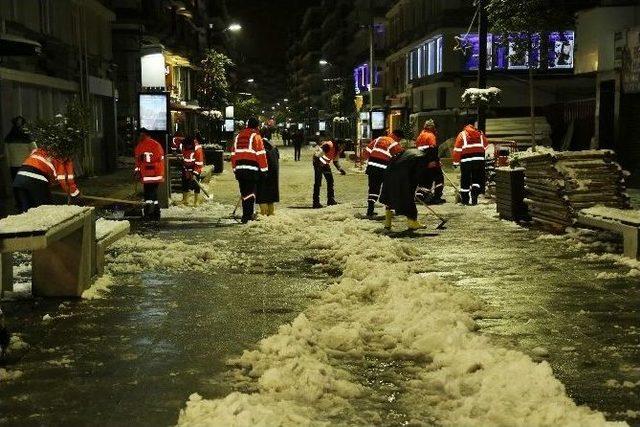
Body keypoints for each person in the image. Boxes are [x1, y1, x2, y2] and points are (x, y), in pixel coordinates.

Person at [12, 146, 80, 213]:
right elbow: (63, 180)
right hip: (36, 179)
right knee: (46, 209)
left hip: (19, 179)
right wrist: (75, 194)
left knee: (26, 210)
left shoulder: (39, 150)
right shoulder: (62, 158)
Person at [379, 148, 430, 231]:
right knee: (408, 200)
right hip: (401, 177)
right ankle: (412, 222)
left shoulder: (411, 152)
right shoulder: (422, 158)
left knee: (389, 198)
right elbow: (417, 176)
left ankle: (387, 224)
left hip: (389, 173)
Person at [231, 117, 269, 223]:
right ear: (257, 126)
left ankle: (246, 214)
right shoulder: (256, 136)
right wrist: (264, 170)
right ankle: (248, 215)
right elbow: (261, 154)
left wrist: (234, 169)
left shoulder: (238, 136)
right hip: (251, 169)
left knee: (244, 192)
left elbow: (233, 154)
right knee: (251, 192)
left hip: (239, 169)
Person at [363, 129, 405, 217]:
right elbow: (400, 157)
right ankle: (391, 211)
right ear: (398, 137)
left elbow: (366, 153)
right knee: (389, 189)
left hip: (372, 168)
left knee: (373, 189)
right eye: (400, 139)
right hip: (383, 169)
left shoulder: (377, 139)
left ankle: (370, 211)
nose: (399, 141)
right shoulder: (394, 143)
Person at [452, 117, 489, 205]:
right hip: (479, 161)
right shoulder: (480, 134)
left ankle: (465, 200)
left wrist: (455, 163)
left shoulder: (462, 135)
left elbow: (457, 150)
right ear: (473, 124)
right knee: (476, 180)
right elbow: (486, 146)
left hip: (466, 161)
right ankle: (474, 199)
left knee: (465, 180)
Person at [134, 128, 165, 220]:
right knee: (152, 194)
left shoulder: (141, 146)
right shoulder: (156, 144)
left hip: (150, 175)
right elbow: (138, 161)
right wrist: (137, 170)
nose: (139, 137)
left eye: (140, 135)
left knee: (149, 195)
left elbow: (139, 161)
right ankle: (155, 212)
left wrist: (137, 171)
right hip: (154, 174)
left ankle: (149, 212)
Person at [415, 119, 445, 204]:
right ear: (431, 127)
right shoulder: (431, 136)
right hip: (431, 162)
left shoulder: (420, 136)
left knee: (425, 181)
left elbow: (418, 151)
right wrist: (436, 161)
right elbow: (433, 150)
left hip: (422, 164)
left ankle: (420, 196)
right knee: (439, 179)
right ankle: (437, 197)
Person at [312, 138, 346, 209]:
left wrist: (340, 169)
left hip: (325, 164)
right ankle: (316, 202)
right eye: (342, 146)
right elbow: (316, 156)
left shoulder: (337, 150)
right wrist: (320, 164)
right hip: (317, 162)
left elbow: (335, 161)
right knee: (318, 182)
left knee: (330, 181)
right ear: (339, 144)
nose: (343, 147)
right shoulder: (329, 145)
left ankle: (330, 200)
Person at [256, 130, 280, 216]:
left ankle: (264, 216)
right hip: (273, 176)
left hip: (263, 176)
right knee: (270, 199)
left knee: (262, 198)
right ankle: (270, 215)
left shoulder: (260, 147)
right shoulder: (273, 147)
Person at [181, 136, 205, 206]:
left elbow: (199, 163)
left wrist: (195, 173)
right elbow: (184, 157)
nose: (186, 147)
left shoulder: (198, 149)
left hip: (195, 166)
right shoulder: (184, 145)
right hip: (186, 167)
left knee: (196, 184)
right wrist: (185, 169)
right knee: (184, 182)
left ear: (191, 145)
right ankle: (185, 200)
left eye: (188, 146)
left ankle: (196, 201)